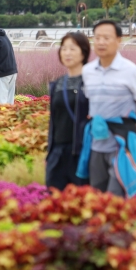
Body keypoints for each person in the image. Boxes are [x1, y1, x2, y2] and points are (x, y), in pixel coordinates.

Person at [77, 19, 136, 198]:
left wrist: (123, 125)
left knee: (116, 199)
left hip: (120, 145)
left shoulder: (131, 71)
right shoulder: (87, 71)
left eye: (107, 38)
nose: (101, 42)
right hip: (96, 145)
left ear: (119, 40)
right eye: (97, 38)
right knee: (96, 197)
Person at [46, 32, 91, 191]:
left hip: (83, 153)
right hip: (58, 154)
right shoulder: (57, 84)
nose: (67, 53)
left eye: (72, 48)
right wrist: (50, 154)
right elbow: (54, 121)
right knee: (55, 203)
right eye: (64, 48)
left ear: (84, 52)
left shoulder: (92, 82)